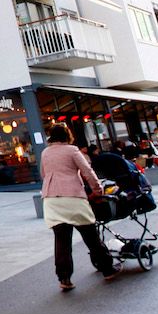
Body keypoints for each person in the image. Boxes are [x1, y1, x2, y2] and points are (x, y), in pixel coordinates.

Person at [40, 124, 121, 291]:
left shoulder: (45, 153)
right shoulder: (72, 150)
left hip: (51, 199)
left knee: (61, 241)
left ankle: (64, 278)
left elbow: (43, 174)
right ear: (67, 135)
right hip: (73, 197)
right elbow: (87, 171)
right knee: (91, 235)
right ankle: (107, 269)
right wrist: (98, 190)